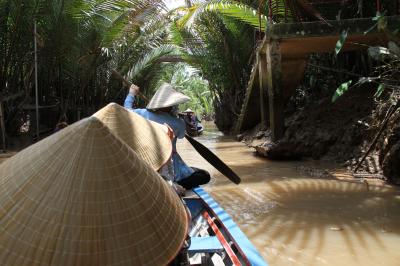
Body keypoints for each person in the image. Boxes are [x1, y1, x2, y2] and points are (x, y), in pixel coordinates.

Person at [124, 82, 210, 189]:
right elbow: (181, 136)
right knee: (205, 175)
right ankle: (175, 183)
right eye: (175, 105)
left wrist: (131, 93)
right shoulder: (178, 123)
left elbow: (126, 111)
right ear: (172, 106)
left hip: (147, 163)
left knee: (192, 171)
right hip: (171, 168)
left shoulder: (143, 114)